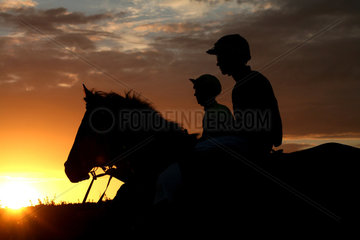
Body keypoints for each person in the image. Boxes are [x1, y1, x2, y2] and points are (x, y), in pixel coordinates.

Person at [207, 34, 282, 157]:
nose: (217, 63)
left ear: (231, 57)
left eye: (220, 56)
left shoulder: (247, 84)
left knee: (202, 148)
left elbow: (252, 128)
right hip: (258, 142)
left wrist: (223, 129)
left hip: (254, 145)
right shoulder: (251, 80)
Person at [190, 74, 234, 141]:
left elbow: (213, 141)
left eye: (197, 90)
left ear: (204, 92)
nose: (195, 94)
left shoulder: (214, 112)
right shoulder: (222, 108)